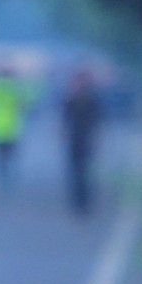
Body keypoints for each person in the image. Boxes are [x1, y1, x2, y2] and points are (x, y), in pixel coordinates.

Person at [62, 67, 105, 216]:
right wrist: (63, 134)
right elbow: (65, 121)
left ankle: (85, 202)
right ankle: (78, 202)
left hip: (86, 140)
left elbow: (97, 122)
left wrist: (96, 139)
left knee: (85, 172)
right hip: (74, 140)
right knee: (76, 172)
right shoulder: (70, 100)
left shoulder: (92, 100)